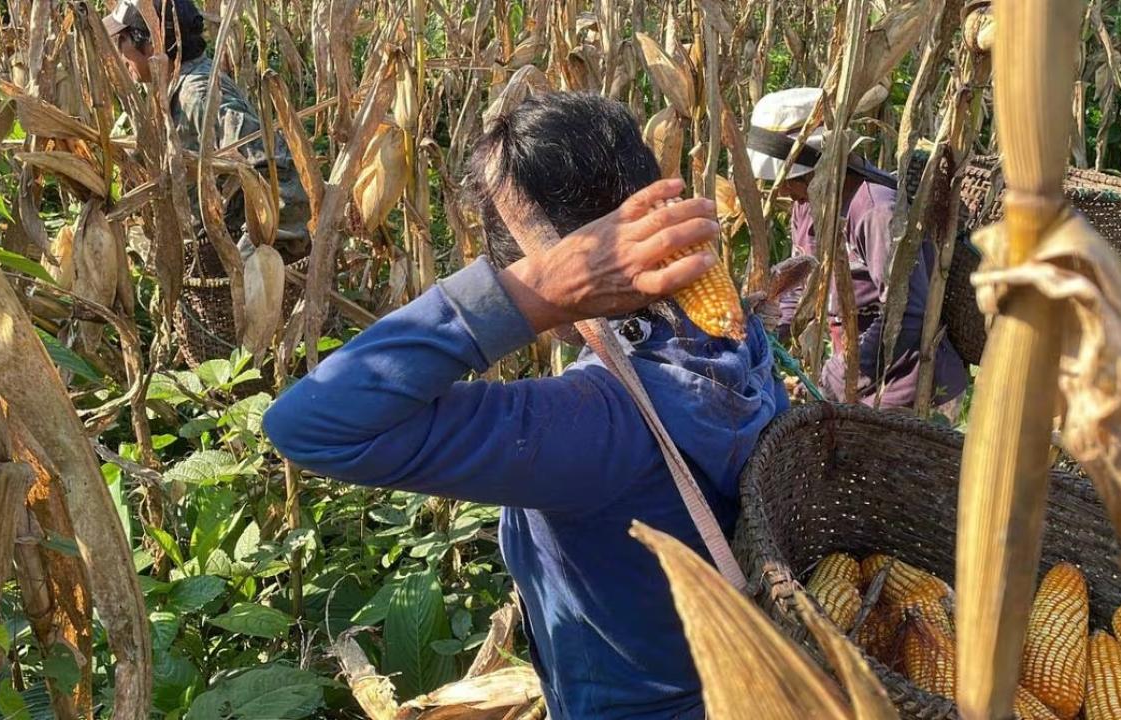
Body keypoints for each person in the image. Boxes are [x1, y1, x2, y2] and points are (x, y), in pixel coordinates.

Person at [264, 93, 787, 719]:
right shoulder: (737, 339)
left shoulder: (601, 425)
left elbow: (309, 425)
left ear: (569, 264)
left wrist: (532, 293)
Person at [104, 0, 311, 350]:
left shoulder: (198, 95)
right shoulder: (173, 87)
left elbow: (277, 173)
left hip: (235, 269)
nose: (118, 53)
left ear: (151, 42)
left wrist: (246, 262)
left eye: (122, 40)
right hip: (209, 249)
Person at [747, 88, 968, 413]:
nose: (780, 190)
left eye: (787, 179)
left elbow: (904, 312)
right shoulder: (806, 204)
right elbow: (801, 284)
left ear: (815, 167)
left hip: (908, 389)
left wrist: (832, 380)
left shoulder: (876, 210)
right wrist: (770, 343)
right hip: (854, 384)